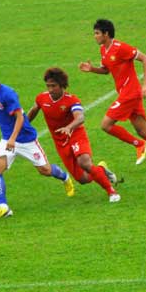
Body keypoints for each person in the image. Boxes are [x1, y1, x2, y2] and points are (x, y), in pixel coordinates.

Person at [79, 19, 146, 172]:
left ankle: (139, 145)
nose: (95, 36)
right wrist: (92, 69)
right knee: (143, 131)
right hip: (128, 94)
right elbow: (107, 70)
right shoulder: (103, 50)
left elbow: (145, 58)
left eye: (97, 33)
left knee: (106, 125)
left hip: (130, 93)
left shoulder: (121, 48)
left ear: (106, 34)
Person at [0, 62, 75, 219]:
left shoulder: (8, 94)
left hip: (26, 139)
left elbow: (20, 117)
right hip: (8, 140)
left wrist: (13, 139)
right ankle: (4, 207)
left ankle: (65, 177)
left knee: (45, 170)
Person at [27, 67, 121, 203]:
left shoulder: (71, 100)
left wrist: (69, 127)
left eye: (54, 86)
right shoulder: (42, 98)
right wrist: (24, 125)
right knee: (83, 179)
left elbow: (80, 117)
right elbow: (34, 110)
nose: (50, 89)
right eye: (48, 86)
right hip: (60, 142)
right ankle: (101, 169)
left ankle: (111, 192)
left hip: (75, 134)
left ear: (62, 85)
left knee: (84, 162)